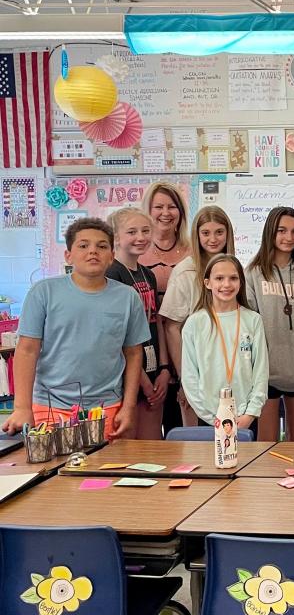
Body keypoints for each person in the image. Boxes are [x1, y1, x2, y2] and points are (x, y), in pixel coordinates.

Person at [3, 217, 149, 439]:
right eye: (83, 245)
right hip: (50, 407)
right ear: (68, 255)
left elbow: (133, 353)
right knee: (53, 471)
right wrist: (22, 407)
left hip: (107, 407)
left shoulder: (128, 297)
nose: (93, 251)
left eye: (101, 246)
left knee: (105, 471)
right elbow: (27, 350)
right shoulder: (43, 292)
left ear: (111, 256)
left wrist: (128, 406)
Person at [246, 207, 294, 443]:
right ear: (270, 232)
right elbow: (249, 324)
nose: (289, 238)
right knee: (265, 440)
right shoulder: (253, 273)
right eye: (282, 230)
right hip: (264, 373)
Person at [159, 206, 235, 428]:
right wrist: (186, 379)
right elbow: (172, 327)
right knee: (198, 443)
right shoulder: (186, 272)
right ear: (196, 235)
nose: (213, 239)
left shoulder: (234, 269)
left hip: (227, 371)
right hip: (197, 373)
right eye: (206, 233)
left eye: (219, 232)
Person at [180, 254, 268, 429]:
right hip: (209, 419)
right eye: (219, 278)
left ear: (241, 283)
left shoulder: (253, 320)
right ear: (207, 283)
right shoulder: (195, 323)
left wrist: (250, 413)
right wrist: (212, 418)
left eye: (233, 278)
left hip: (245, 417)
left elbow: (261, 372)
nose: (226, 284)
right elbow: (190, 377)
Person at [105, 207, 170, 440]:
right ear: (116, 238)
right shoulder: (112, 275)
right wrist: (141, 379)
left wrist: (164, 369)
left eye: (145, 231)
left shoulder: (147, 274)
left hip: (153, 368)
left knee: (152, 445)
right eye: (132, 231)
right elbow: (118, 336)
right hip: (130, 374)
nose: (141, 237)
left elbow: (157, 322)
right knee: (129, 447)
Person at [140, 182, 190, 433]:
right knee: (149, 425)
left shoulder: (193, 251)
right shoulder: (136, 252)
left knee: (181, 423)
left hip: (185, 344)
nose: (165, 213)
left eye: (172, 207)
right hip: (149, 346)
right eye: (158, 206)